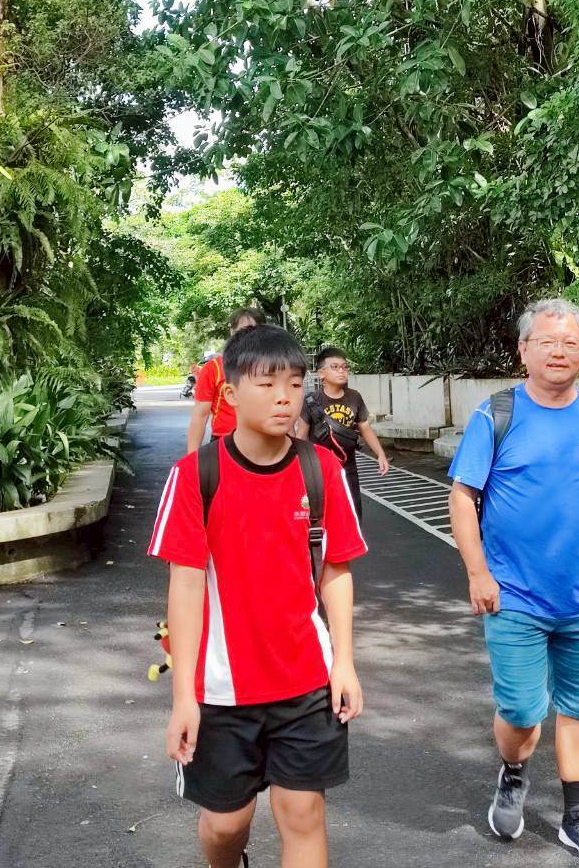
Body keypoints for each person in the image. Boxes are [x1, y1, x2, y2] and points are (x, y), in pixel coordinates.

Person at [148, 324, 367, 868]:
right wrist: (183, 697)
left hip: (306, 681)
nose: (284, 397)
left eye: (294, 384)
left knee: (303, 813)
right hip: (221, 688)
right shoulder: (195, 476)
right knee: (226, 825)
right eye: (267, 384)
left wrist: (344, 663)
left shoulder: (322, 470)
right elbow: (185, 585)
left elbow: (335, 571)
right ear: (230, 393)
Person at [447, 298, 579, 863]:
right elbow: (463, 498)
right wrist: (477, 572)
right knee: (521, 713)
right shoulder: (497, 414)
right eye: (546, 341)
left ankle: (577, 816)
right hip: (512, 596)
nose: (558, 351)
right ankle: (513, 770)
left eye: (570, 343)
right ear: (524, 350)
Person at [296, 346, 390, 516]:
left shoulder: (354, 397)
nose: (342, 371)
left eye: (345, 367)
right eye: (335, 367)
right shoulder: (311, 401)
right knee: (325, 514)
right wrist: (297, 467)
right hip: (320, 469)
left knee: (353, 513)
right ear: (321, 373)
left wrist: (380, 454)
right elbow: (301, 436)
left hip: (348, 467)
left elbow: (365, 428)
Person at [187, 307, 265, 453]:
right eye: (240, 332)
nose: (246, 337)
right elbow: (200, 416)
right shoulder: (214, 368)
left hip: (265, 443)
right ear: (232, 333)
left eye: (252, 331)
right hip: (224, 445)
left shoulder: (273, 367)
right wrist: (191, 458)